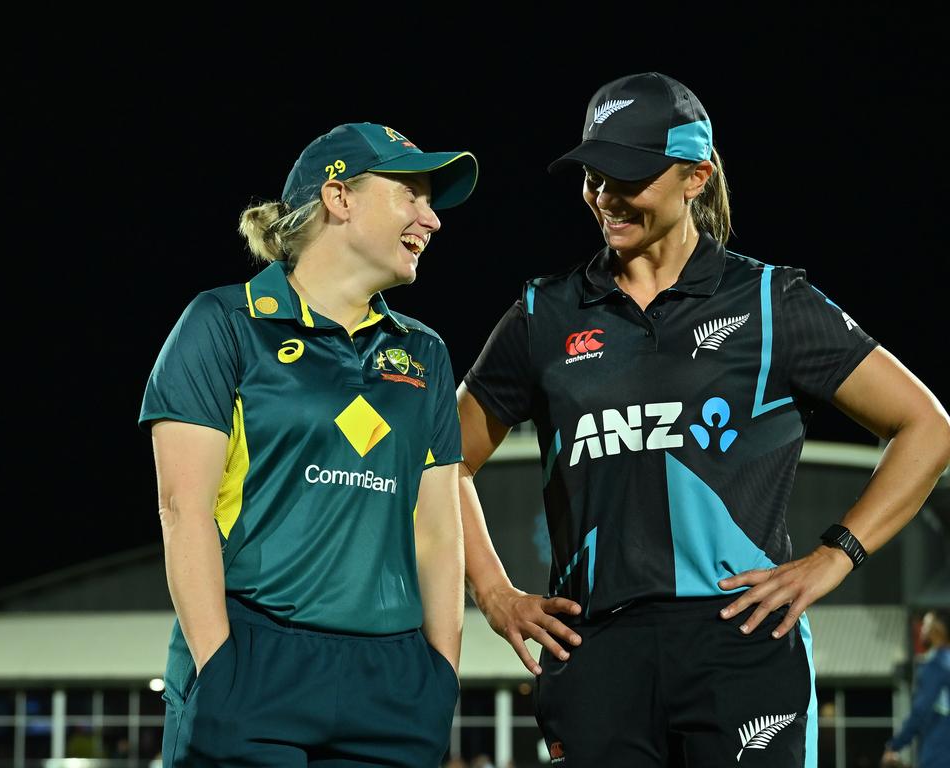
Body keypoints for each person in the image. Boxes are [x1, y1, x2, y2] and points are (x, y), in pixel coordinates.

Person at [456, 71, 950, 767]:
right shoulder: (544, 315)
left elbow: (926, 428)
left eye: (628, 175)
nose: (604, 195)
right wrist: (493, 590)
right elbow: (440, 458)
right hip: (596, 653)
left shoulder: (774, 302)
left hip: (742, 645)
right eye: (594, 175)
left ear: (696, 175)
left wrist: (835, 556)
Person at [139, 122, 478, 767]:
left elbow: (438, 529)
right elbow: (184, 513)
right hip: (255, 658)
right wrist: (219, 669)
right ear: (339, 197)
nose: (431, 219)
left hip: (394, 679)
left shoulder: (425, 353)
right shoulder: (224, 324)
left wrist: (440, 675)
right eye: (412, 194)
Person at [882, 608, 950, 768]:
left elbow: (920, 711)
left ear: (937, 630)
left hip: (939, 754)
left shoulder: (935, 666)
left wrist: (895, 745)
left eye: (926, 624)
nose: (921, 630)